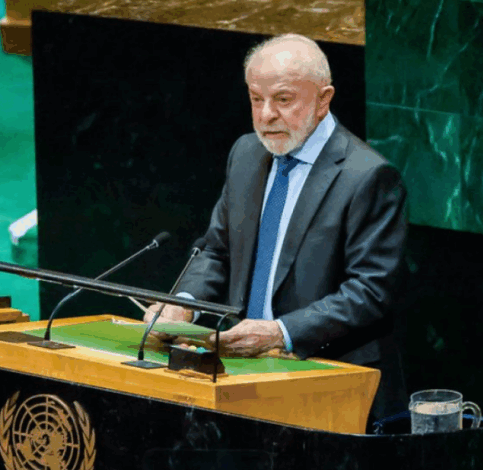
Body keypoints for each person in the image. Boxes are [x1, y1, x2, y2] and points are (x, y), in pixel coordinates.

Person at [145, 33, 408, 423]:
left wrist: (280, 332)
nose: (266, 115)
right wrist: (185, 304)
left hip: (330, 380)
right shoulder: (246, 154)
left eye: (283, 100)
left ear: (323, 99)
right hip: (242, 374)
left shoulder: (368, 176)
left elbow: (370, 290)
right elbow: (217, 251)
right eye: (256, 99)